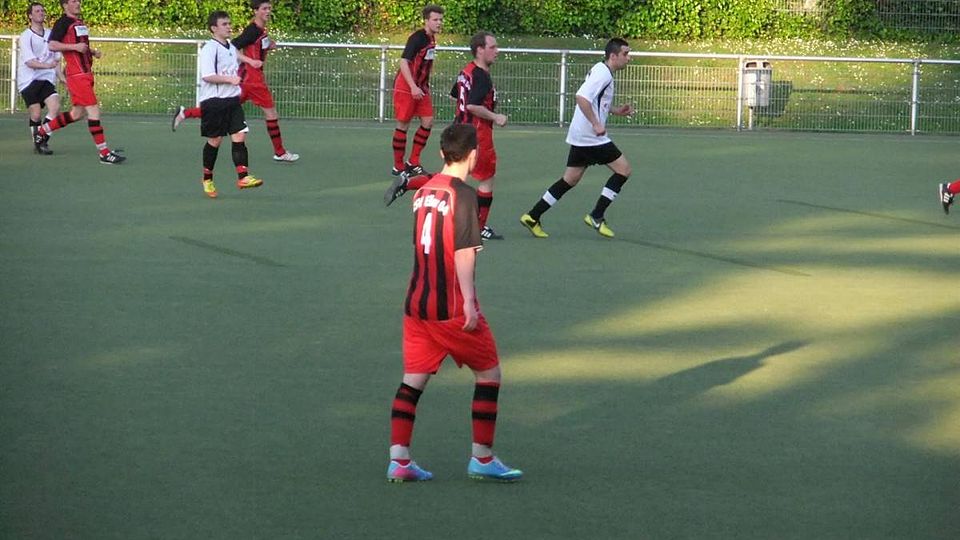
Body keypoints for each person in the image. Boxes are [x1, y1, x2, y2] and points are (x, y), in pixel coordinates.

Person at [387, 123, 522, 483]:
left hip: (416, 303)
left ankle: (399, 461)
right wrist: (470, 302)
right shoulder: (463, 196)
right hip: (449, 306)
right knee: (489, 373)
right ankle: (483, 458)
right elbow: (463, 253)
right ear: (474, 155)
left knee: (412, 381)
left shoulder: (424, 190)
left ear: (441, 153)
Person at [519, 38, 635, 239]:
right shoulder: (603, 74)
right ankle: (596, 215)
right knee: (624, 170)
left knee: (570, 179)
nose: (629, 58)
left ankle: (532, 216)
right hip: (591, 137)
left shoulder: (602, 70)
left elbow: (596, 101)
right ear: (613, 55)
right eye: (625, 54)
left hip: (580, 135)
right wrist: (596, 124)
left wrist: (616, 111)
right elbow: (582, 97)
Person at [173, 0, 299, 163]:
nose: (268, 11)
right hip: (253, 79)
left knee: (223, 107)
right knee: (271, 113)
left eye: (269, 8)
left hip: (245, 78)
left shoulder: (260, 30)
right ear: (255, 11)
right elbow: (233, 46)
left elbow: (258, 44)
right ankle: (280, 152)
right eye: (264, 8)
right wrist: (250, 61)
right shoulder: (252, 30)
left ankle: (186, 113)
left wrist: (268, 45)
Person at [35, 0, 125, 164]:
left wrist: (92, 51)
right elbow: (52, 45)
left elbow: (80, 45)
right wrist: (75, 47)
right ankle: (104, 153)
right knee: (93, 111)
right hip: (77, 75)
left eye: (79, 0)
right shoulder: (63, 22)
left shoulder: (79, 22)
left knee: (77, 114)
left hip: (85, 73)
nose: (78, 3)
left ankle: (43, 130)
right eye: (74, 1)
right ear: (65, 5)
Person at [195, 10, 264, 198]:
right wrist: (229, 79)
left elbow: (236, 55)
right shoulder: (210, 49)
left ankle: (243, 176)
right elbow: (207, 76)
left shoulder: (229, 46)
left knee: (240, 134)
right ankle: (207, 179)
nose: (229, 27)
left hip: (232, 100)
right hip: (214, 102)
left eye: (229, 23)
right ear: (214, 28)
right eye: (224, 24)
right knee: (215, 140)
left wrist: (251, 61)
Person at [390, 4, 444, 177]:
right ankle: (398, 166)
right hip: (407, 87)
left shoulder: (431, 38)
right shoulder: (417, 38)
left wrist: (422, 85)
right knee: (403, 124)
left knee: (428, 121)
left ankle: (413, 162)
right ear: (426, 21)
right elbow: (403, 62)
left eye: (440, 19)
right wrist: (413, 86)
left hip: (421, 88)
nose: (439, 23)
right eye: (435, 19)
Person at [17, 2, 63, 155]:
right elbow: (30, 62)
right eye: (37, 11)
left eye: (42, 11)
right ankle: (38, 142)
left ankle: (42, 141)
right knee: (36, 114)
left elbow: (56, 59)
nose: (41, 13)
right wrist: (48, 66)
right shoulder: (26, 36)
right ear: (30, 16)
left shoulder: (51, 35)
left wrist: (62, 77)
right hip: (28, 80)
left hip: (46, 80)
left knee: (55, 107)